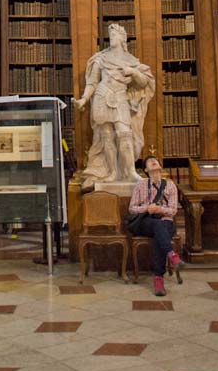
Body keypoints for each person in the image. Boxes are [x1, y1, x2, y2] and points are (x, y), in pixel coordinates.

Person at [75, 23, 155, 186]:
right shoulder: (101, 58)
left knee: (124, 134)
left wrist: (133, 72)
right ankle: (112, 172)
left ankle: (130, 172)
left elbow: (143, 82)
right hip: (101, 97)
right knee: (107, 137)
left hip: (120, 98)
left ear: (122, 38)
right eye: (110, 35)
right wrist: (83, 99)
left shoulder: (131, 61)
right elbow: (92, 82)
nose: (111, 37)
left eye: (115, 35)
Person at [128, 155, 182, 296]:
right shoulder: (140, 185)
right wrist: (147, 208)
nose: (153, 162)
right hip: (146, 222)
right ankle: (172, 255)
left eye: (155, 161)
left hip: (166, 222)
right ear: (146, 169)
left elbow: (173, 210)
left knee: (160, 230)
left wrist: (160, 209)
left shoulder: (170, 185)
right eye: (150, 162)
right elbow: (132, 208)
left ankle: (158, 279)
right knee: (158, 226)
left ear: (160, 166)